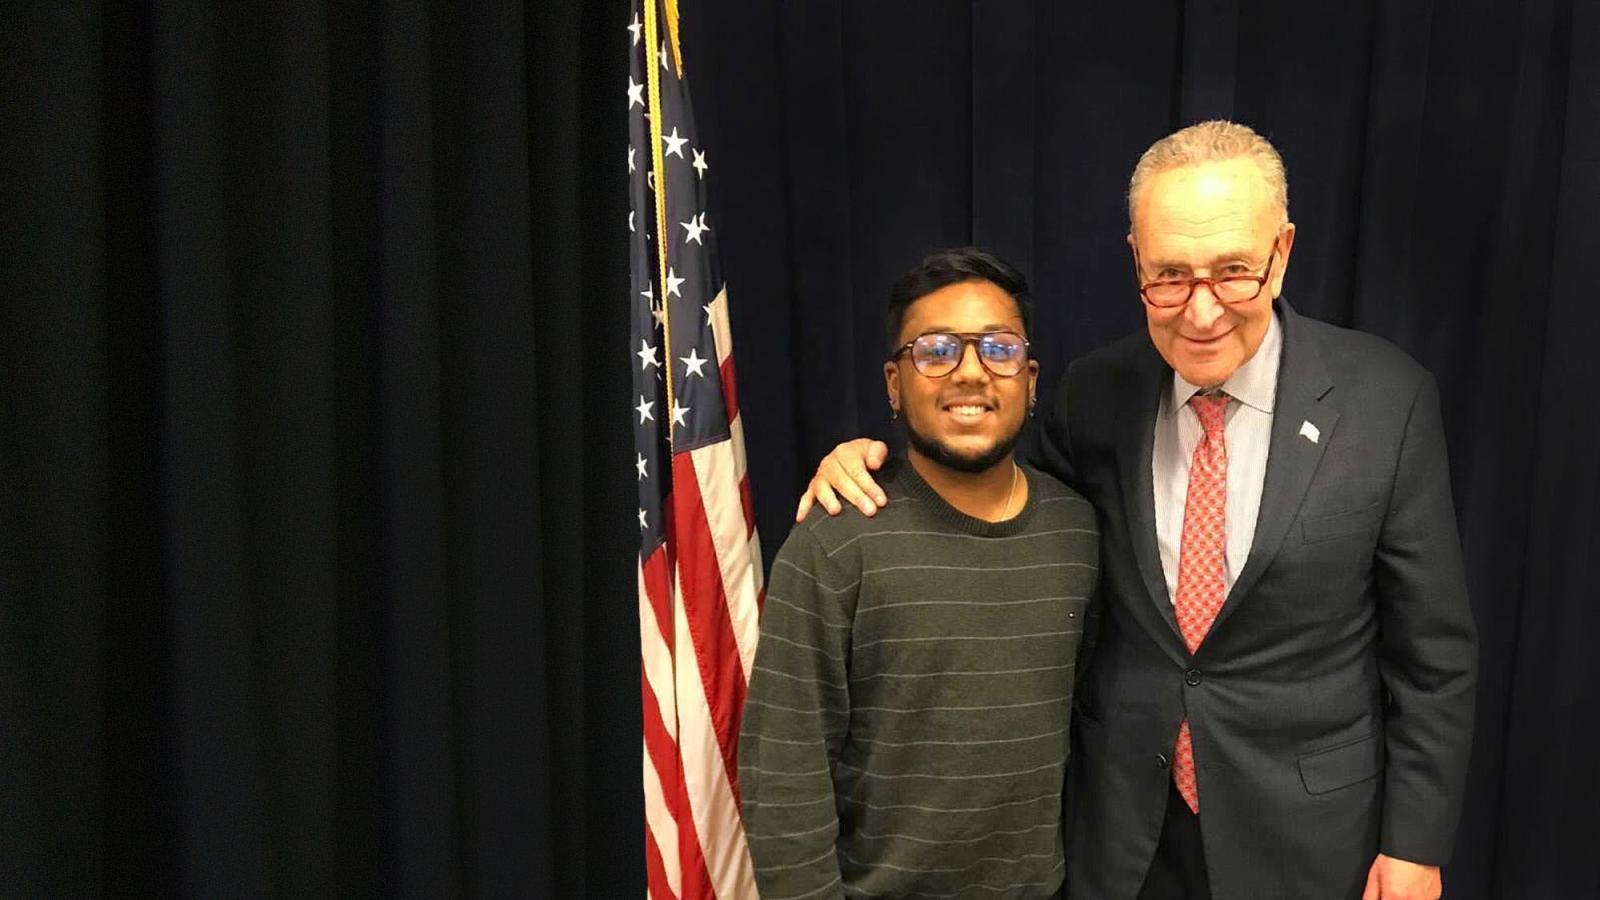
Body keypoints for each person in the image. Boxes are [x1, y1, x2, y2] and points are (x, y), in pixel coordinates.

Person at [794, 121, 1477, 900]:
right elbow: (996, 505)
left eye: (1233, 273)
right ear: (1136, 262)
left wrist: (1415, 844)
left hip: (1311, 838)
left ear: (1282, 254)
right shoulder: (1095, 394)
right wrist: (873, 458)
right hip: (1121, 836)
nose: (1201, 310)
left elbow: (1434, 659)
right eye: (1170, 276)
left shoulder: (1387, 401)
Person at [739, 248, 1099, 899]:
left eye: (998, 348)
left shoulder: (1078, 532)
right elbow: (783, 773)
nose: (970, 373)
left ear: (1031, 377)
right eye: (935, 351)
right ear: (894, 382)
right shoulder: (835, 540)